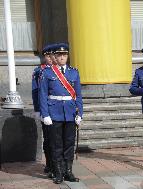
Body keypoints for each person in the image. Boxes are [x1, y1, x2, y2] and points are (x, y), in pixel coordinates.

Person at [40, 43, 83, 184]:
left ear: (67, 56)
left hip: (70, 113)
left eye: (64, 55)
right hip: (54, 112)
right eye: (59, 55)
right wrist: (45, 114)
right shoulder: (47, 73)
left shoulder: (74, 72)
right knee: (56, 144)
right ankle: (58, 173)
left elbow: (78, 95)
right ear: (55, 57)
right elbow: (43, 94)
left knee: (69, 144)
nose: (62, 57)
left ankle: (68, 172)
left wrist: (80, 113)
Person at [32, 44, 55, 177]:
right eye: (47, 55)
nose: (50, 58)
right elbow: (36, 91)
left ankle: (57, 164)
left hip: (57, 109)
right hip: (44, 109)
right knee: (48, 139)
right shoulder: (38, 71)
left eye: (52, 55)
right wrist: (37, 109)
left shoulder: (61, 71)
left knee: (57, 139)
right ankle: (50, 164)